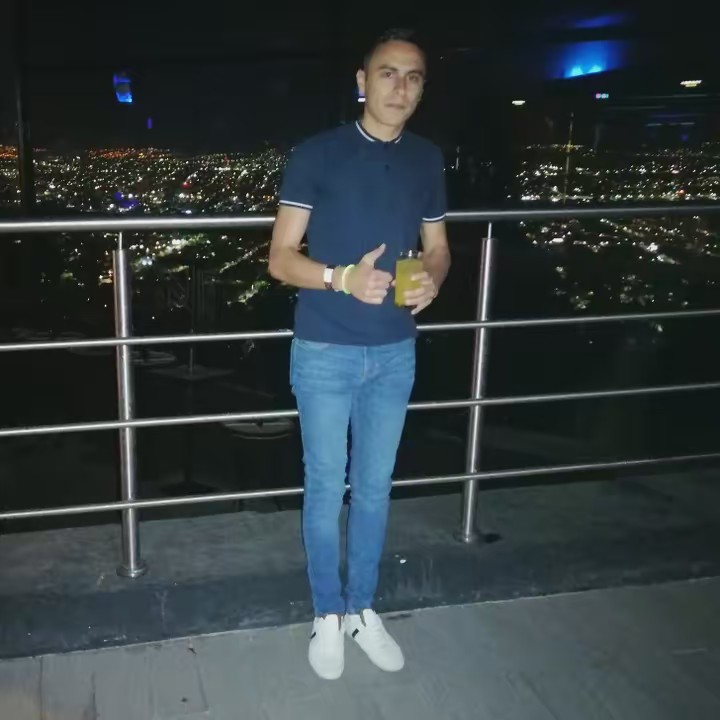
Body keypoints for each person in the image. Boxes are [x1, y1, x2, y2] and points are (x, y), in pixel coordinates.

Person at [268, 28, 450, 680]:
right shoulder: (317, 154)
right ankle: (326, 611)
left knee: (374, 488)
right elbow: (280, 259)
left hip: (395, 351)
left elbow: (438, 248)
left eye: (414, 77)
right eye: (388, 73)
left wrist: (433, 279)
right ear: (361, 81)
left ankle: (360, 607)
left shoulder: (426, 159)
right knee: (325, 487)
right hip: (325, 347)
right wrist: (342, 277)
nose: (401, 87)